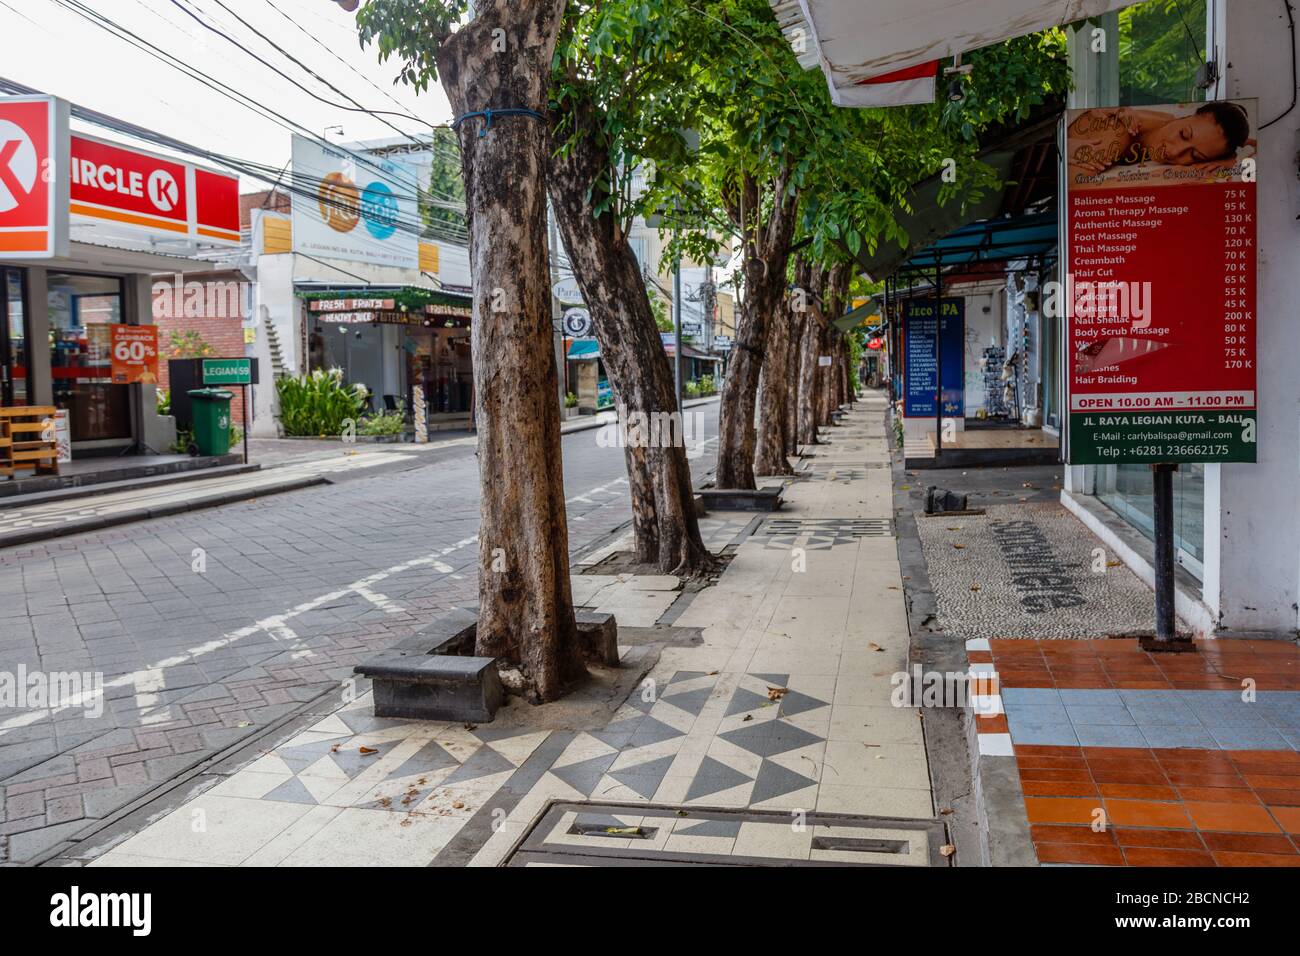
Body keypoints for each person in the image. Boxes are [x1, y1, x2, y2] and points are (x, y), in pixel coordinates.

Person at [1067, 101, 1251, 182]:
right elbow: (1075, 186)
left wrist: (1230, 159)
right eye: (1183, 135)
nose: (1174, 151)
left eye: (1193, 155)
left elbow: (1250, 144)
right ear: (1185, 116)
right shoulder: (1119, 128)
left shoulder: (1170, 119)